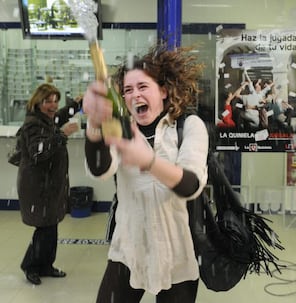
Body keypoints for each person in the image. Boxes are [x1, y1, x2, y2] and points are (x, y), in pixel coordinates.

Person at [82, 45, 209, 303]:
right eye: (127, 90)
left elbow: (191, 184)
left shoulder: (188, 126)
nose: (135, 95)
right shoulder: (121, 127)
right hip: (129, 249)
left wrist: (149, 161)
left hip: (178, 252)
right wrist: (95, 124)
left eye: (143, 87)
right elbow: (100, 168)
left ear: (162, 91)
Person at [17, 83, 81, 285]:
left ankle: (46, 265)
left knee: (51, 226)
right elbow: (39, 152)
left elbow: (61, 115)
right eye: (48, 102)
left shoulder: (46, 118)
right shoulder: (33, 124)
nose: (53, 106)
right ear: (38, 102)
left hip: (50, 185)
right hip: (38, 186)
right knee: (44, 228)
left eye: (55, 101)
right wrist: (63, 135)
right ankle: (30, 266)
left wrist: (77, 105)